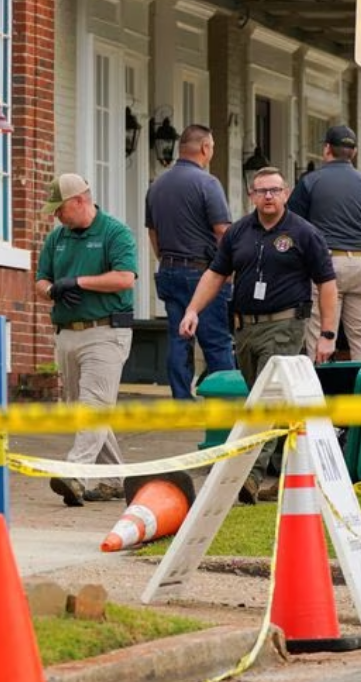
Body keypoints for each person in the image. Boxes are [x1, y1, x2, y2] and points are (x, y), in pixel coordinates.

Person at [181, 167, 338, 502]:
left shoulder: (304, 233)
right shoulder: (238, 232)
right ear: (251, 195)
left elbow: (327, 284)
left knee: (264, 401)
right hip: (245, 328)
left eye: (275, 190)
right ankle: (292, 465)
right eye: (262, 191)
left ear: (286, 193)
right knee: (265, 399)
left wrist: (327, 333)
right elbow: (215, 274)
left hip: (285, 325)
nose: (268, 196)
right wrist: (192, 310)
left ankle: (249, 477)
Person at [36, 173, 138, 506]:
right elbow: (40, 281)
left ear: (80, 201)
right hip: (67, 333)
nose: (56, 216)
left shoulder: (115, 233)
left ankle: (75, 474)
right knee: (86, 409)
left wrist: (79, 282)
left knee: (93, 406)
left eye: (60, 209)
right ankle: (114, 479)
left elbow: (124, 278)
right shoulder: (57, 239)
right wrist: (54, 290)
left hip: (106, 332)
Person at [288, 124, 361, 362]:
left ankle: (320, 395)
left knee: (320, 335)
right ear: (354, 152)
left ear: (327, 149)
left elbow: (292, 227)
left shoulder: (310, 182)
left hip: (326, 267)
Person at [145, 123, 235, 399]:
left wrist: (166, 259)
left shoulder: (157, 185)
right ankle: (227, 402)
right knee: (217, 341)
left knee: (178, 337)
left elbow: (153, 233)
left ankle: (181, 401)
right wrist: (228, 270)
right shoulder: (208, 183)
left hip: (169, 270)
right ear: (205, 148)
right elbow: (223, 231)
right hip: (202, 273)